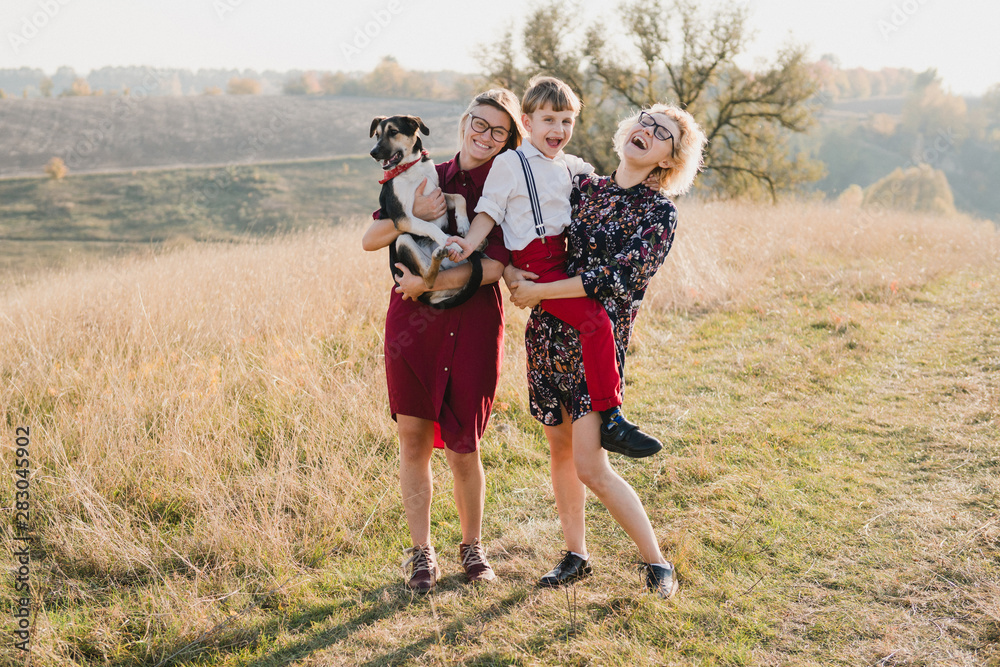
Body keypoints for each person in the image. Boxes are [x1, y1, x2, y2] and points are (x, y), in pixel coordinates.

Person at [505, 104, 707, 598]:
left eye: (663, 134)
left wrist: (541, 293)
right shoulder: (583, 187)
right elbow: (537, 238)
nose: (648, 131)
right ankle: (576, 554)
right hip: (548, 336)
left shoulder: (658, 212)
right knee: (559, 451)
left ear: (667, 160)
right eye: (646, 120)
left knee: (591, 465)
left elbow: (614, 282)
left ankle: (657, 562)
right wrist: (512, 273)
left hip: (595, 348)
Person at [361, 89, 523, 592]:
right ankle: (420, 555)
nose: (485, 136)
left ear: (510, 139)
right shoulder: (428, 171)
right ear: (463, 122)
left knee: (463, 446)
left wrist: (428, 281)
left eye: (498, 130)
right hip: (413, 326)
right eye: (478, 123)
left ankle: (473, 549)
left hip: (471, 326)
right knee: (412, 441)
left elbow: (494, 266)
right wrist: (411, 213)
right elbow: (370, 239)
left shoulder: (510, 185)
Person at [449, 76, 660, 459]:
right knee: (596, 321)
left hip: (562, 259)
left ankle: (607, 413)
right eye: (548, 119)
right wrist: (468, 244)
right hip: (536, 264)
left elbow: (602, 182)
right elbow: (489, 212)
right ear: (527, 123)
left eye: (566, 121)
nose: (558, 129)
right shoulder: (509, 164)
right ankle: (611, 417)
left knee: (593, 324)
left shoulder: (569, 165)